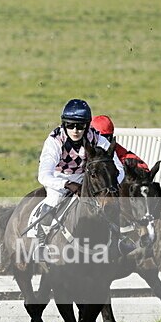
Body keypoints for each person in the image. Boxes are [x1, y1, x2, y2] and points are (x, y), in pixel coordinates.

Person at [35, 99, 124, 247]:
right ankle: (41, 244)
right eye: (70, 125)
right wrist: (67, 184)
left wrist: (110, 186)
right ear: (64, 124)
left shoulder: (97, 138)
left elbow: (119, 169)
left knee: (110, 202)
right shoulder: (55, 141)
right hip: (59, 178)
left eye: (80, 126)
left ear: (87, 125)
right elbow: (43, 175)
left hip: (86, 177)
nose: (75, 130)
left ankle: (119, 240)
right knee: (53, 199)